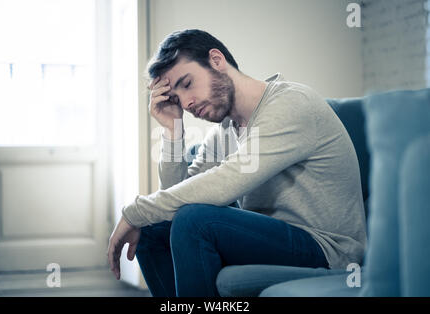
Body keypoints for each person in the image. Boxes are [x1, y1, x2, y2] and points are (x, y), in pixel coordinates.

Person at [107, 29, 367, 297]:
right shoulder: (224, 132)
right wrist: (173, 129)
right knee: (154, 227)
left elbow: (224, 184)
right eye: (177, 98)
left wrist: (135, 210)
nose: (186, 103)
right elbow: (177, 203)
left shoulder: (290, 104)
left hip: (327, 249)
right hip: (270, 241)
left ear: (216, 60)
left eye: (186, 84)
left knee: (194, 220)